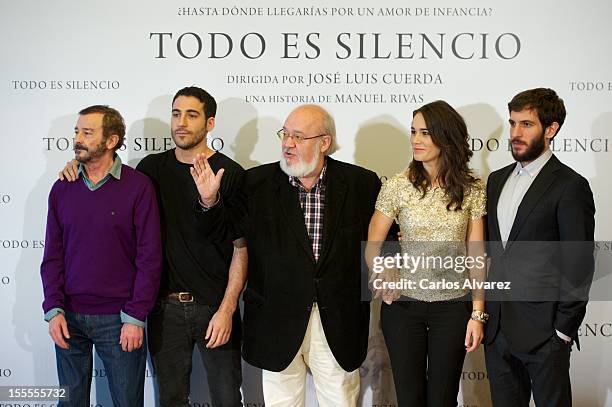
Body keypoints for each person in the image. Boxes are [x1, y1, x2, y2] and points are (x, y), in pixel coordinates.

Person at [59, 87, 247, 407]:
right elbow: (106, 177)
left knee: (227, 399)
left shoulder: (231, 174)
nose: (181, 122)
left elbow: (241, 249)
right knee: (170, 400)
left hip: (214, 307)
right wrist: (78, 164)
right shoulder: (150, 171)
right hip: (164, 310)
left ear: (210, 123)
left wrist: (227, 310)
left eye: (191, 114)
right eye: (176, 114)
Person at [200, 104, 380, 406]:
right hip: (275, 320)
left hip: (338, 319)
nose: (287, 143)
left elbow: (382, 243)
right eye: (285, 134)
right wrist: (210, 202)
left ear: (324, 142)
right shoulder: (255, 183)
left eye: (298, 136)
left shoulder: (362, 183)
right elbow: (228, 237)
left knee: (340, 400)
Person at [367, 100, 487, 406]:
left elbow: (476, 255)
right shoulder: (397, 186)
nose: (416, 140)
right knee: (410, 398)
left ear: (446, 137)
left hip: (453, 307)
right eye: (413, 132)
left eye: (425, 132)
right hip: (404, 307)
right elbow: (372, 245)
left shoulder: (472, 189)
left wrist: (477, 313)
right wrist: (381, 270)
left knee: (443, 398)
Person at [41, 105, 162, 406]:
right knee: (69, 402)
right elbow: (52, 255)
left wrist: (136, 315)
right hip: (68, 316)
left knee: (126, 402)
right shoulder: (62, 188)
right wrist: (53, 308)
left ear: (111, 141)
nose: (78, 139)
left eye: (87, 132)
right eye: (77, 131)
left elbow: (150, 257)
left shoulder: (138, 187)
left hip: (120, 319)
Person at [484, 88, 595, 407]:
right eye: (513, 123)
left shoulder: (570, 185)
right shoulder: (496, 180)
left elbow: (579, 264)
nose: (516, 133)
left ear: (551, 129)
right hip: (497, 329)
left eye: (527, 124)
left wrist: (562, 331)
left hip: (545, 334)